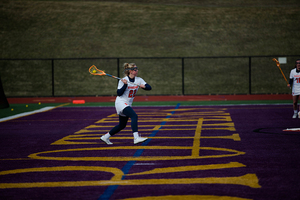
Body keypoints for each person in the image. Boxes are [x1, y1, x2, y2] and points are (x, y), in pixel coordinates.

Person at [101, 63, 152, 144]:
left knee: (122, 125)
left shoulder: (139, 80)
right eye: (135, 69)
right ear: (131, 71)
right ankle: (136, 138)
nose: (137, 70)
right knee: (134, 116)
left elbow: (149, 87)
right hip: (121, 102)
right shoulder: (123, 80)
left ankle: (105, 137)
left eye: (137, 69)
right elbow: (119, 93)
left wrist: (144, 87)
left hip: (128, 103)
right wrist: (125, 85)